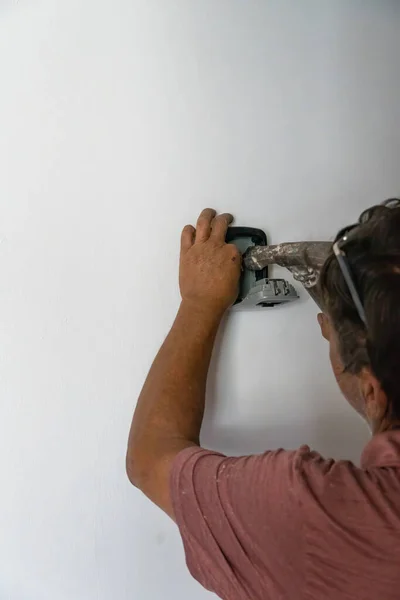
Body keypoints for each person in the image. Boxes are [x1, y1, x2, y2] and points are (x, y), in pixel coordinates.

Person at [126, 201, 400, 600]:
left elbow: (150, 460)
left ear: (372, 389)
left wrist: (200, 303)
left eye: (332, 335)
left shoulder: (328, 517)